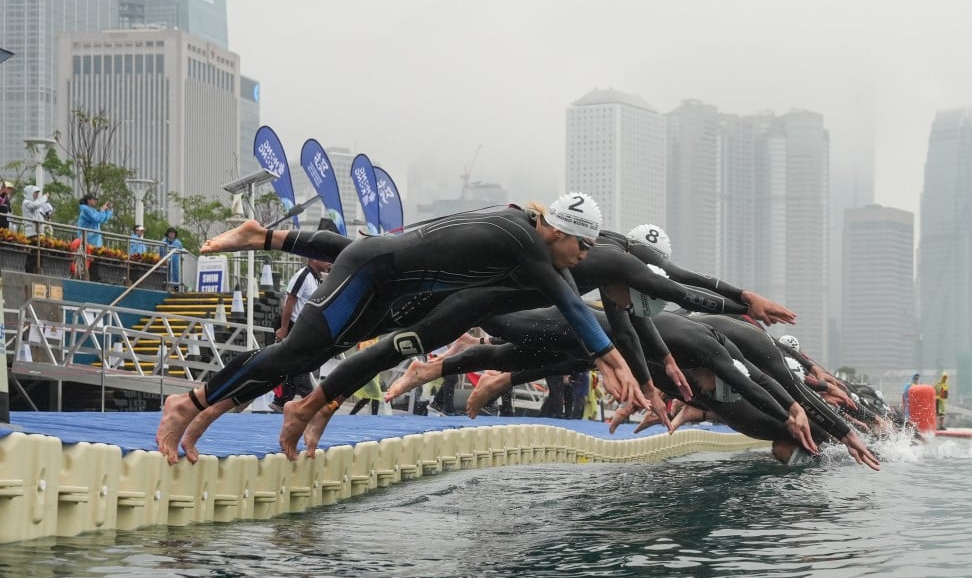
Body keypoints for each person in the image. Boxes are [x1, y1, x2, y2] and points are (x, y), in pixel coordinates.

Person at [156, 194, 650, 464]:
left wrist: (612, 363)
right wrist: (617, 362)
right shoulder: (525, 241)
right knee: (294, 354)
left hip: (389, 288)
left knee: (300, 356)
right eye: (581, 248)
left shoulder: (533, 238)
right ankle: (189, 404)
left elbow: (573, 305)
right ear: (559, 233)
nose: (583, 260)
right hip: (371, 273)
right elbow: (572, 304)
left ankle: (207, 412)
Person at [268, 257, 331, 412]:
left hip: (303, 327)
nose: (329, 262)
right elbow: (290, 300)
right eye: (326, 258)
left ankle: (281, 401)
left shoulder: (317, 279)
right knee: (300, 365)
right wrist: (283, 329)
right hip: (292, 326)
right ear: (314, 258)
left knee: (293, 366)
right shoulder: (303, 275)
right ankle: (310, 401)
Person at [21, 185, 49, 273]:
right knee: (32, 254)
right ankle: (29, 271)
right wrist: (45, 197)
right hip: (31, 233)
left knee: (39, 254)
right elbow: (35, 205)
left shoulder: (34, 204)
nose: (36, 195)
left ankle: (37, 270)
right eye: (35, 193)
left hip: (37, 233)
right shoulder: (26, 203)